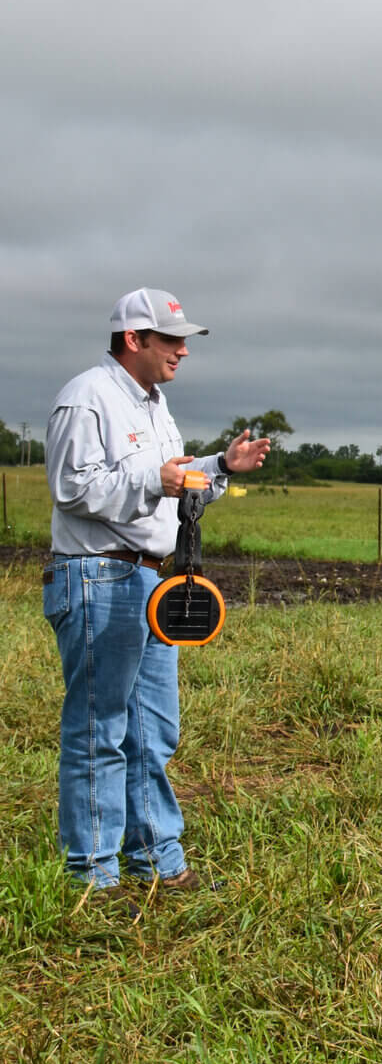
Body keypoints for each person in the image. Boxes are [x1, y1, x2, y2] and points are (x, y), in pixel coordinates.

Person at [44, 288, 271, 901]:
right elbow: (72, 488)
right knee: (101, 727)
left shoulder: (153, 405)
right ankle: (93, 877)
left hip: (152, 577)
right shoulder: (87, 398)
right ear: (132, 340)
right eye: (170, 340)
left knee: (153, 729)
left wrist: (221, 464)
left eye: (185, 341)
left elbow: (175, 478)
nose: (181, 351)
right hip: (98, 575)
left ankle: (158, 863)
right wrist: (157, 476)